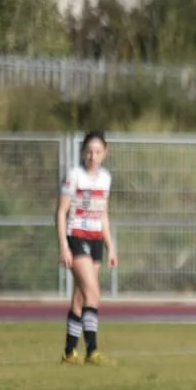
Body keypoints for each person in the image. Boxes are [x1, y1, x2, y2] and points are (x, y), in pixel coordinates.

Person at [57, 131, 116, 365]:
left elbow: (103, 213)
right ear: (83, 152)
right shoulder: (74, 176)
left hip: (95, 240)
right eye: (89, 151)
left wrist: (111, 246)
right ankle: (92, 351)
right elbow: (61, 212)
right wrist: (63, 245)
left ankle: (69, 352)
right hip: (76, 237)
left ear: (105, 153)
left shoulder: (106, 179)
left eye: (98, 152)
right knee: (93, 292)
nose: (93, 156)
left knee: (81, 297)